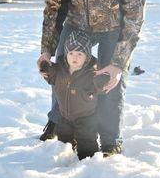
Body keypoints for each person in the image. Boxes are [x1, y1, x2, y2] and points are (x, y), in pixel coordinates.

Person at [37, 0, 147, 157]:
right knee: (61, 69)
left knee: (110, 81)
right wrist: (46, 49)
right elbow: (54, 5)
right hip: (77, 23)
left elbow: (135, 12)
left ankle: (110, 140)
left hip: (113, 25)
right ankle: (58, 122)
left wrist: (118, 63)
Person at [39, 30, 109, 160]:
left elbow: (100, 86)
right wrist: (45, 68)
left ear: (87, 56)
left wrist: (102, 81)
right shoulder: (59, 69)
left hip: (86, 118)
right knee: (64, 143)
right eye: (70, 53)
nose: (74, 57)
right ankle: (65, 160)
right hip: (64, 116)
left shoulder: (91, 73)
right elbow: (50, 76)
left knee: (87, 144)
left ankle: (87, 160)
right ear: (66, 54)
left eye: (79, 54)